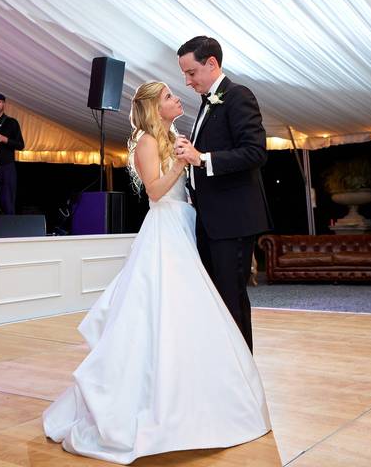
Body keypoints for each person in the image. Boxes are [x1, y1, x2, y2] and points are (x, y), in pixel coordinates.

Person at [42, 81, 271, 464]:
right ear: (153, 107)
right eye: (168, 96)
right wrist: (183, 162)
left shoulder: (172, 135)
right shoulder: (147, 141)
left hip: (186, 226)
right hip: (165, 232)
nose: (177, 97)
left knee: (191, 316)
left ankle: (195, 392)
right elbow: (155, 191)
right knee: (162, 312)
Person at [174, 36, 271, 352]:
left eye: (191, 72)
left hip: (233, 222)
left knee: (232, 300)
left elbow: (255, 152)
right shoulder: (207, 103)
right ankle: (224, 371)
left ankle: (242, 379)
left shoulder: (238, 96)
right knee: (215, 300)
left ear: (212, 63)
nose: (187, 81)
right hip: (211, 221)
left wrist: (201, 159)